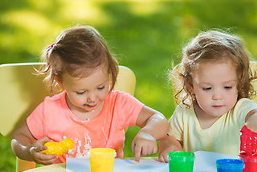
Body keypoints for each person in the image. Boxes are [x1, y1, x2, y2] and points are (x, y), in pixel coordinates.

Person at [11, 25, 169, 164]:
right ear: (60, 82)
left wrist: (148, 133)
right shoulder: (50, 111)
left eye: (101, 87)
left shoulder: (118, 103)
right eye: (81, 92)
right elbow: (19, 138)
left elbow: (159, 119)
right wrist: (29, 151)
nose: (93, 98)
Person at [158, 30, 257, 162]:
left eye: (227, 87)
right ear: (190, 86)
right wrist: (170, 146)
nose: (217, 96)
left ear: (239, 83)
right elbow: (169, 137)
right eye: (207, 88)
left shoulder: (240, 109)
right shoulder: (185, 113)